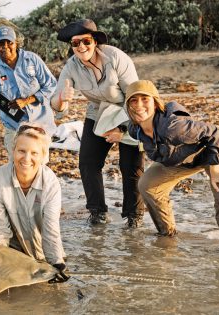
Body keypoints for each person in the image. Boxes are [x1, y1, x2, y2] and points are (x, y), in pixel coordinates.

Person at [125, 80, 219, 251]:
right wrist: (116, 133)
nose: (139, 105)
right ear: (127, 105)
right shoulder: (134, 129)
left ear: (155, 101)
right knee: (147, 184)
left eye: (145, 99)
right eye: (133, 100)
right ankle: (167, 236)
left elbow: (213, 134)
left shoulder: (172, 127)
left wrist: (215, 171)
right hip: (184, 160)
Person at [51, 19, 144, 227]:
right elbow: (56, 107)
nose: (81, 47)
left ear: (95, 41)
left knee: (131, 165)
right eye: (75, 44)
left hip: (128, 111)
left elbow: (135, 97)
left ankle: (134, 217)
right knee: (87, 162)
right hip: (98, 112)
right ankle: (97, 213)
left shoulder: (116, 57)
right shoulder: (71, 67)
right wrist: (62, 99)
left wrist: (121, 128)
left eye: (86, 41)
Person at [0, 123, 67, 279]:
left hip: (43, 250)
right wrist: (3, 264)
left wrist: (55, 263)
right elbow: (0, 230)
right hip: (11, 250)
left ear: (43, 157)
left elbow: (51, 228)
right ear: (13, 151)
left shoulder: (51, 183)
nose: (27, 158)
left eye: (34, 153)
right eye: (21, 151)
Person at [0, 26, 57, 156]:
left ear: (16, 43)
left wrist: (27, 101)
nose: (5, 47)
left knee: (40, 165)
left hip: (41, 123)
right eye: (0, 43)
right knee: (16, 165)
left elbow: (50, 84)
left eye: (9, 42)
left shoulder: (32, 59)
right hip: (14, 127)